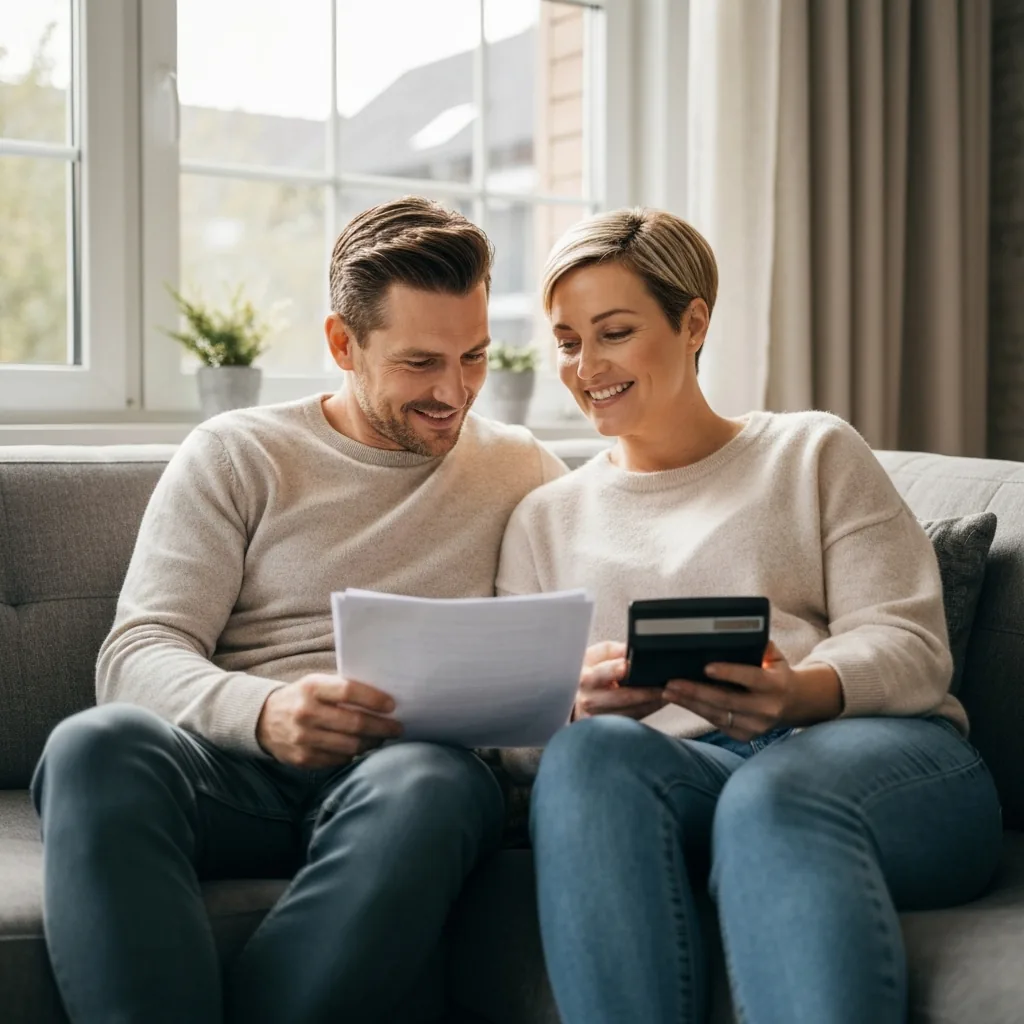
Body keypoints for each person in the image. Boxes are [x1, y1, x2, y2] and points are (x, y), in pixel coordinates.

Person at [31, 196, 565, 1024]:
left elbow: (587, 618)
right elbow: (138, 650)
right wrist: (268, 710)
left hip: (406, 779)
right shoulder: (239, 453)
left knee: (433, 780)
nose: (454, 392)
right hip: (237, 771)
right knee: (95, 743)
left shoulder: (522, 466)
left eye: (474, 356)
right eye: (421, 362)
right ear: (342, 344)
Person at [496, 208, 1002, 1024]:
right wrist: (569, 706)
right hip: (690, 779)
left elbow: (911, 645)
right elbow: (516, 737)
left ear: (692, 322)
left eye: (614, 332)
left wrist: (801, 691)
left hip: (871, 762)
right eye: (565, 341)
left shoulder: (811, 453)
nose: (586, 366)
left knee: (775, 796)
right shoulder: (542, 519)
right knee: (586, 757)